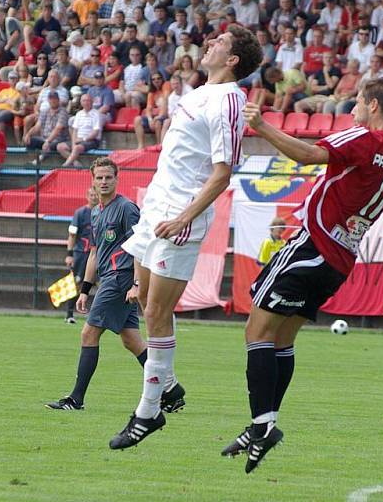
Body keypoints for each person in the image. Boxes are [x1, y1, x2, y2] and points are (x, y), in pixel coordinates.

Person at [219, 77, 383, 473]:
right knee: (282, 338)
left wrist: (263, 126)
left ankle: (261, 426)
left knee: (256, 332)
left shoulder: (365, 138)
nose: (352, 107)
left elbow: (308, 155)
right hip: (339, 260)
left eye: (357, 101)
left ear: (373, 105)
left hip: (312, 246)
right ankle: (263, 423)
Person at [108, 26, 263, 450]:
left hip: (181, 215)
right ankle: (169, 384)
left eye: (220, 43)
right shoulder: (197, 92)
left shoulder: (231, 100)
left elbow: (222, 172)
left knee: (157, 311)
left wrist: (183, 218)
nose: (210, 43)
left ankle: (148, 411)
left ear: (233, 60)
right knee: (143, 301)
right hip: (156, 205)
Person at [45, 158, 146, 411]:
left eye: (108, 177)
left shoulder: (127, 208)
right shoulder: (96, 211)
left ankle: (76, 399)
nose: (103, 182)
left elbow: (140, 249)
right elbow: (94, 252)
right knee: (131, 340)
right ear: (92, 180)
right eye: (99, 177)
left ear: (117, 178)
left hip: (120, 278)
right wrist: (85, 289)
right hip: (108, 278)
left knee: (88, 333)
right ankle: (170, 390)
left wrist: (136, 284)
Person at [64, 187, 99, 324]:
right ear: (87, 196)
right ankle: (69, 314)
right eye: (91, 195)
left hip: (98, 254)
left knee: (102, 284)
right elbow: (72, 235)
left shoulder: (103, 212)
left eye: (96, 195)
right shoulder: (80, 213)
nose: (94, 197)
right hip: (81, 254)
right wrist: (69, 254)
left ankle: (98, 315)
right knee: (76, 283)